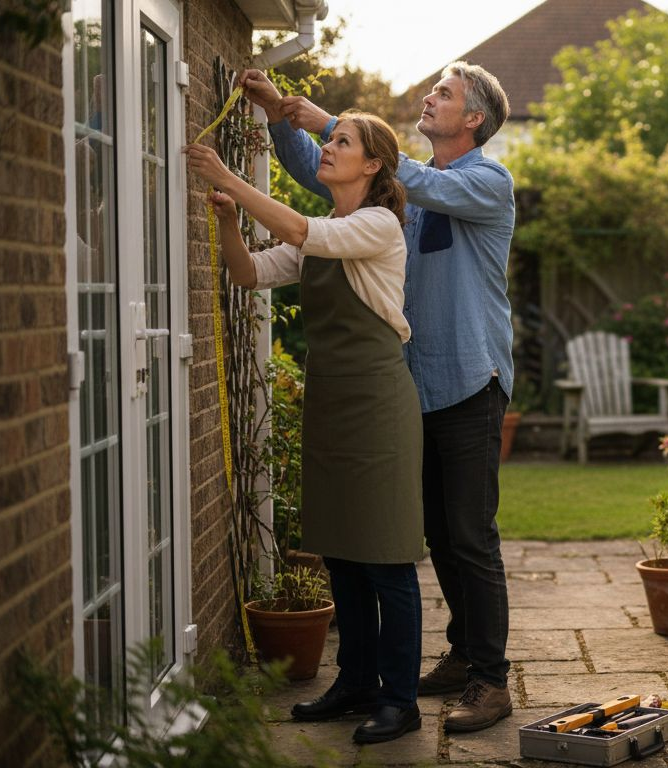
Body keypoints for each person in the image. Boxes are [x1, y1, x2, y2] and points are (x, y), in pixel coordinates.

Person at [239, 61, 517, 733]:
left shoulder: (486, 181)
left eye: (444, 94)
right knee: (434, 537)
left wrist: (329, 120)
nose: (429, 96)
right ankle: (458, 655)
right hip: (410, 386)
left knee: (470, 536)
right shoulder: (404, 198)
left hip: (469, 379)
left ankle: (490, 679)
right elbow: (331, 180)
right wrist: (284, 117)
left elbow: (398, 176)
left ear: (473, 118)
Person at [184, 111, 425, 745]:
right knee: (343, 554)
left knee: (389, 558)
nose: (328, 147)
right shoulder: (325, 233)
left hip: (378, 407)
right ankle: (356, 684)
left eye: (341, 141)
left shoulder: (377, 225)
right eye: (329, 138)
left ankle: (401, 699)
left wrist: (230, 178)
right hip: (331, 405)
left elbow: (297, 226)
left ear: (372, 165)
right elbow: (247, 273)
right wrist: (229, 224)